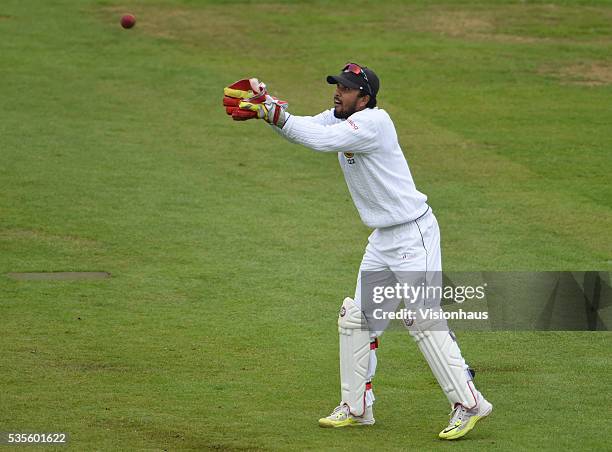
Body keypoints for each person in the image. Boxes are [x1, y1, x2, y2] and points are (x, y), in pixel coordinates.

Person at [223, 63, 493, 440]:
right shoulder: (339, 117)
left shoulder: (373, 124)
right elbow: (306, 129)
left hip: (413, 234)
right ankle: (356, 406)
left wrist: (273, 113)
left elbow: (317, 140)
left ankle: (469, 403)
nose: (338, 92)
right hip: (384, 237)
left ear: (364, 98)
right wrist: (267, 107)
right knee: (357, 318)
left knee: (421, 319)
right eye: (338, 85)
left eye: (347, 89)